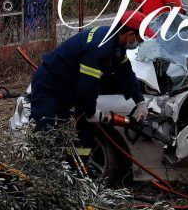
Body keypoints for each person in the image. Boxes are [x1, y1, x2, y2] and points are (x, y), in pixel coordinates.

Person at [30, 10, 155, 160]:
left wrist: (140, 101)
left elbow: (126, 73)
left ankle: (76, 168)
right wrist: (91, 112)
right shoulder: (101, 48)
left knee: (82, 134)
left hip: (69, 86)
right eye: (140, 38)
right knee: (45, 133)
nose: (140, 42)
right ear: (129, 34)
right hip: (50, 85)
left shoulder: (115, 43)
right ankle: (42, 168)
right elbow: (87, 86)